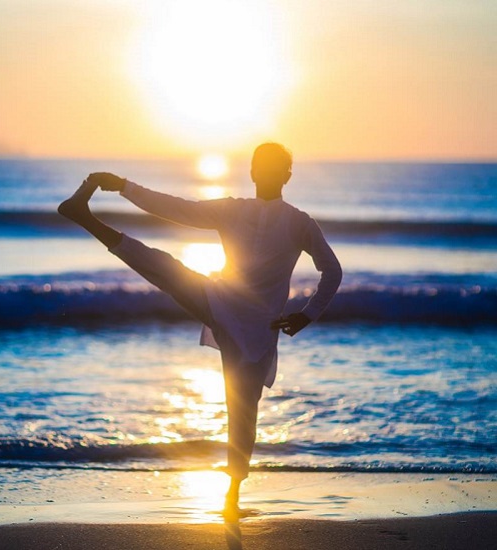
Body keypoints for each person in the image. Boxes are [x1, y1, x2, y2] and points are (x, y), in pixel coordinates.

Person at [58, 142, 342, 517]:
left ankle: (231, 500)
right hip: (222, 303)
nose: (266, 172)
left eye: (273, 167)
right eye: (261, 166)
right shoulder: (242, 210)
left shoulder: (296, 222)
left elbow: (332, 270)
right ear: (253, 171)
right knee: (164, 268)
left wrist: (307, 314)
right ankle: (84, 216)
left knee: (242, 412)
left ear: (286, 175)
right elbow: (175, 208)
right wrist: (125, 187)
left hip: (252, 328)